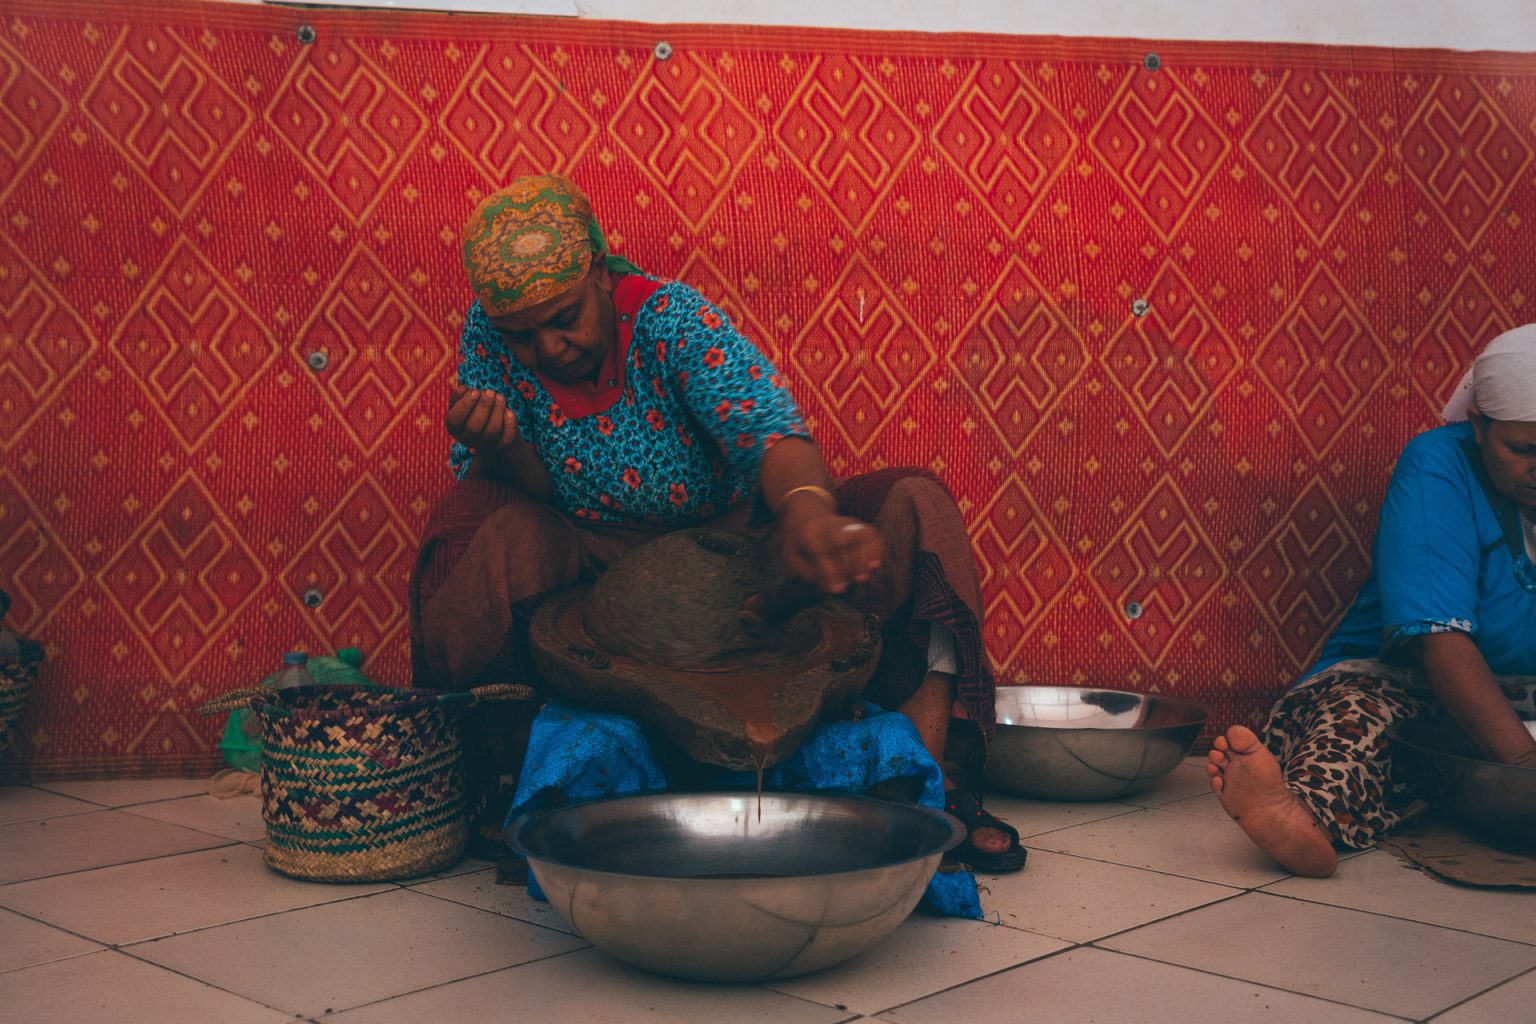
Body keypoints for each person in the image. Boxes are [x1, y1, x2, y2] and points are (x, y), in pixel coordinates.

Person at [408, 173, 1025, 873]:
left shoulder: (670, 321)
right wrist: (498, 446)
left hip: (740, 554)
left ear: (599, 273)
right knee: (476, 530)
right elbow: (535, 489)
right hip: (594, 566)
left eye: (566, 318)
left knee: (915, 504)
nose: (549, 348)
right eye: (523, 336)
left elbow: (770, 430)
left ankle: (935, 780)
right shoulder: (489, 335)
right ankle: (520, 785)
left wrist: (808, 513)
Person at [1208, 324, 1536, 876]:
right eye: (1524, 450)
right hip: (1414, 688)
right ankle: (1302, 815)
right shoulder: (1438, 466)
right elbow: (1438, 641)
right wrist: (1526, 765)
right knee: (1359, 719)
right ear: (1479, 425)